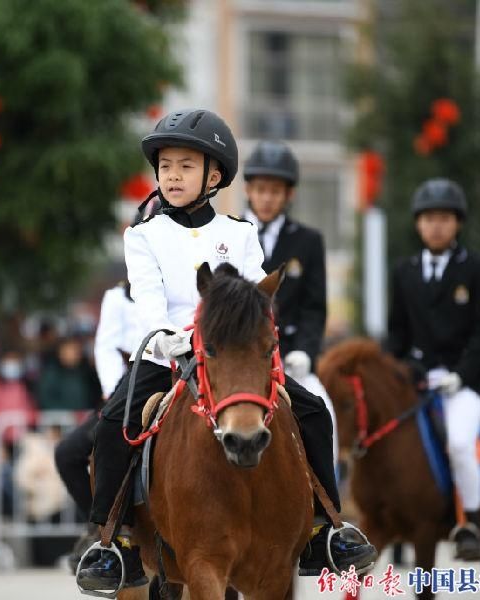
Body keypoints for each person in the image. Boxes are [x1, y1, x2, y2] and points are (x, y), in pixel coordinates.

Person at [77, 109, 376, 592]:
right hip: (168, 355)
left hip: (234, 356)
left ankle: (326, 528)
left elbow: (258, 295)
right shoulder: (143, 235)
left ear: (213, 175)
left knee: (314, 411)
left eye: (185, 166)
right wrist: (168, 338)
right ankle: (116, 542)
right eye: (165, 167)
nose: (172, 176)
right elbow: (149, 301)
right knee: (115, 424)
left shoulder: (239, 232)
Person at [386, 178, 480, 561]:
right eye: (429, 218)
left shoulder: (479, 269)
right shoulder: (404, 270)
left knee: (460, 442)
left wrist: (462, 375)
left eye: (444, 218)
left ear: (457, 223)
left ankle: (471, 524)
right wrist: (395, 371)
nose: (436, 225)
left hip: (463, 382)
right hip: (419, 378)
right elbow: (397, 333)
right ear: (418, 223)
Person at [242, 141, 338, 464]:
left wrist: (305, 353)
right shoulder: (230, 234)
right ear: (248, 190)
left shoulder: (308, 242)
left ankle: (327, 508)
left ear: (288, 194)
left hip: (292, 356)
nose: (267, 198)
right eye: (261, 189)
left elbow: (314, 307)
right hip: (242, 356)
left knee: (324, 414)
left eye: (275, 191)